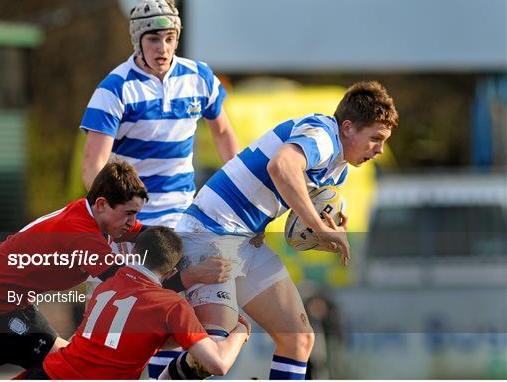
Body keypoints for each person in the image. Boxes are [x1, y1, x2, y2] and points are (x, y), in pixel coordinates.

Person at [167, 81, 399, 379]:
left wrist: (324, 232)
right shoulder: (323, 135)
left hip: (245, 240)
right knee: (214, 351)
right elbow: (281, 166)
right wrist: (318, 226)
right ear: (349, 127)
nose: (379, 150)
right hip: (209, 233)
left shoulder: (338, 168)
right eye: (375, 139)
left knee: (299, 338)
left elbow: (296, 221)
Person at [79, 0, 240, 376]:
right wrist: (111, 221)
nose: (163, 48)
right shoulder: (115, 88)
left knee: (188, 317)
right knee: (145, 319)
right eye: (154, 39)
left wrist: (237, 196)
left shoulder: (199, 77)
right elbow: (93, 166)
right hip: (137, 223)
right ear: (138, 40)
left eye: (170, 38)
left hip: (186, 217)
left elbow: (225, 135)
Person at [0, 160, 147, 373]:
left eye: (135, 214)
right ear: (101, 204)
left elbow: (149, 236)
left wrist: (183, 245)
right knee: (69, 366)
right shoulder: (80, 233)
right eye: (129, 213)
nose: (132, 221)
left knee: (65, 365)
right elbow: (124, 282)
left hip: (12, 301)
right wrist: (181, 283)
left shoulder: (99, 217)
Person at [23, 227, 250, 379]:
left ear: (134, 253)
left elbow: (129, 335)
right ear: (171, 272)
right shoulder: (171, 305)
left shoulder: (106, 286)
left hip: (49, 372)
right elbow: (218, 364)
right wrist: (240, 331)